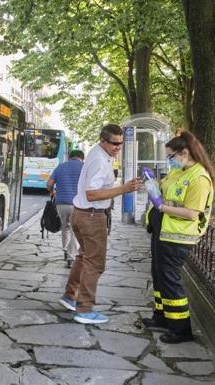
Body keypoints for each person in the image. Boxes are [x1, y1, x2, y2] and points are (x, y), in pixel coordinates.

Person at [58, 124, 143, 324]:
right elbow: (92, 193)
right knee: (95, 263)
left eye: (120, 143)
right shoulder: (98, 160)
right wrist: (124, 189)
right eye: (114, 143)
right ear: (103, 140)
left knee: (83, 257)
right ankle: (85, 309)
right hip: (91, 216)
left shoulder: (100, 154)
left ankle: (70, 296)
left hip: (83, 214)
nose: (118, 147)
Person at [142, 131, 214, 343]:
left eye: (171, 157)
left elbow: (192, 213)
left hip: (178, 237)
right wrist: (150, 182)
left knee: (170, 280)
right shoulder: (180, 170)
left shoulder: (199, 178)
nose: (169, 162)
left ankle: (181, 329)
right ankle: (161, 317)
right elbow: (163, 190)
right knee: (158, 275)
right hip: (162, 231)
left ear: (184, 152)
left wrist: (162, 206)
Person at [47, 150, 85, 268]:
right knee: (75, 229)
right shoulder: (84, 167)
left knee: (66, 226)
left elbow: (49, 184)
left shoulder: (60, 167)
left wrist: (52, 192)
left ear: (69, 157)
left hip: (61, 204)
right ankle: (71, 255)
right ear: (82, 158)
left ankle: (65, 249)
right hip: (77, 205)